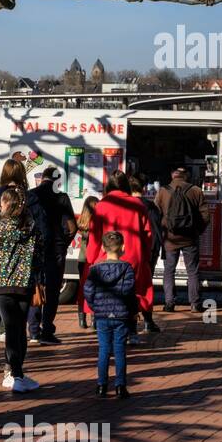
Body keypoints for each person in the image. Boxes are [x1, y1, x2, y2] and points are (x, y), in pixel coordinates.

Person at [0, 158, 50, 374]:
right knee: (17, 323)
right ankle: (13, 366)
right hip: (22, 273)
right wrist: (37, 268)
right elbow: (43, 234)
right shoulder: (31, 199)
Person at [0, 186, 44, 393]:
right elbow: (39, 255)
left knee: (11, 327)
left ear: (5, 204)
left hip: (1, 283)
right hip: (23, 283)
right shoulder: (30, 228)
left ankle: (14, 373)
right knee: (19, 328)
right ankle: (17, 373)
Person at [87, 171, 153, 340]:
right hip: (133, 256)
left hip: (107, 255)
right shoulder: (138, 205)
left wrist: (92, 258)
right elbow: (147, 234)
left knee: (108, 294)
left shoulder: (102, 205)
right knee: (132, 295)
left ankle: (106, 331)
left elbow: (94, 235)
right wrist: (145, 256)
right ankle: (131, 331)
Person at [84, 230, 136, 398]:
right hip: (120, 315)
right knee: (120, 349)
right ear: (123, 247)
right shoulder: (127, 268)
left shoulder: (95, 270)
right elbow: (128, 291)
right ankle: (121, 386)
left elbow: (88, 291)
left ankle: (101, 385)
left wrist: (96, 306)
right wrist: (130, 311)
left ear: (103, 248)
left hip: (102, 315)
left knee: (104, 349)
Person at [29, 166, 75, 346]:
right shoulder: (62, 198)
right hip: (55, 250)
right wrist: (63, 244)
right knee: (53, 291)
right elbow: (72, 227)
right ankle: (47, 330)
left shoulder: (31, 195)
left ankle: (33, 331)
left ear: (43, 178)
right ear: (57, 181)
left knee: (36, 287)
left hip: (36, 249)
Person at [153, 166, 206, 312]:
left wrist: (163, 230)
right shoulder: (196, 191)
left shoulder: (163, 191)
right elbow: (205, 215)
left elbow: (156, 214)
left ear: (172, 176)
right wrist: (198, 231)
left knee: (169, 270)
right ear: (186, 176)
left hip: (170, 239)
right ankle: (195, 303)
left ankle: (169, 303)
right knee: (192, 271)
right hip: (190, 237)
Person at [130, 174, 163, 336]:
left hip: (127, 254)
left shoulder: (125, 205)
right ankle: (148, 321)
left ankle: (131, 322)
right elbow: (156, 232)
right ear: (143, 189)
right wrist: (154, 252)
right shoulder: (149, 207)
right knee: (145, 288)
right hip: (146, 254)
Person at [75, 196, 100, 329]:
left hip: (82, 259)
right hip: (92, 260)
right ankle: (93, 319)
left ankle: (81, 318)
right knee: (94, 290)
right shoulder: (95, 223)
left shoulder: (81, 222)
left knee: (82, 289)